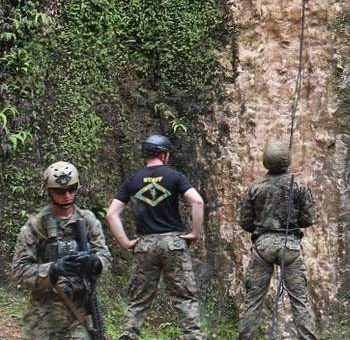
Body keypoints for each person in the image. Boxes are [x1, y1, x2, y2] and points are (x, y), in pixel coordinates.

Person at [106, 134, 205, 340]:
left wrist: (125, 242)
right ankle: (194, 336)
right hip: (173, 245)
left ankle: (129, 335)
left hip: (145, 244)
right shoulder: (175, 177)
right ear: (163, 154)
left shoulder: (132, 180)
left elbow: (111, 214)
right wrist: (194, 233)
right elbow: (197, 202)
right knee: (184, 297)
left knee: (139, 300)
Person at [11, 160, 112, 340]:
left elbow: (104, 256)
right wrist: (52, 270)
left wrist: (94, 263)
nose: (67, 195)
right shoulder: (36, 226)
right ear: (49, 192)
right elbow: (19, 271)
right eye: (60, 191)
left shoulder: (88, 221)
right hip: (43, 315)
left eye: (71, 189)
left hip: (79, 312)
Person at [238, 139, 317, 340]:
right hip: (289, 246)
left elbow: (245, 222)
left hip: (262, 246)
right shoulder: (298, 186)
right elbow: (308, 219)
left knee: (253, 300)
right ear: (287, 161)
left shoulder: (255, 187)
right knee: (300, 301)